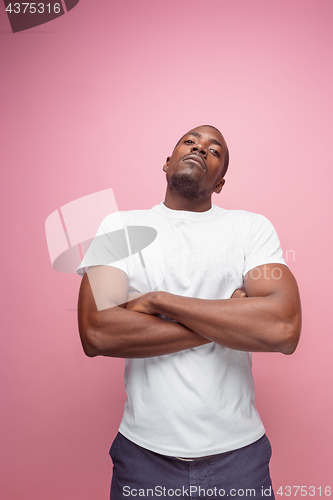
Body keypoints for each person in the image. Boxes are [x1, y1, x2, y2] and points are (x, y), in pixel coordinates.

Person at [77, 125, 301, 500]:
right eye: (191, 141)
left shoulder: (250, 229)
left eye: (215, 151)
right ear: (167, 163)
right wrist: (229, 319)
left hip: (239, 458)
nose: (201, 148)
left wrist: (159, 301)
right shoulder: (119, 228)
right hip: (144, 456)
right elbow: (96, 331)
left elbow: (283, 326)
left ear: (220, 183)